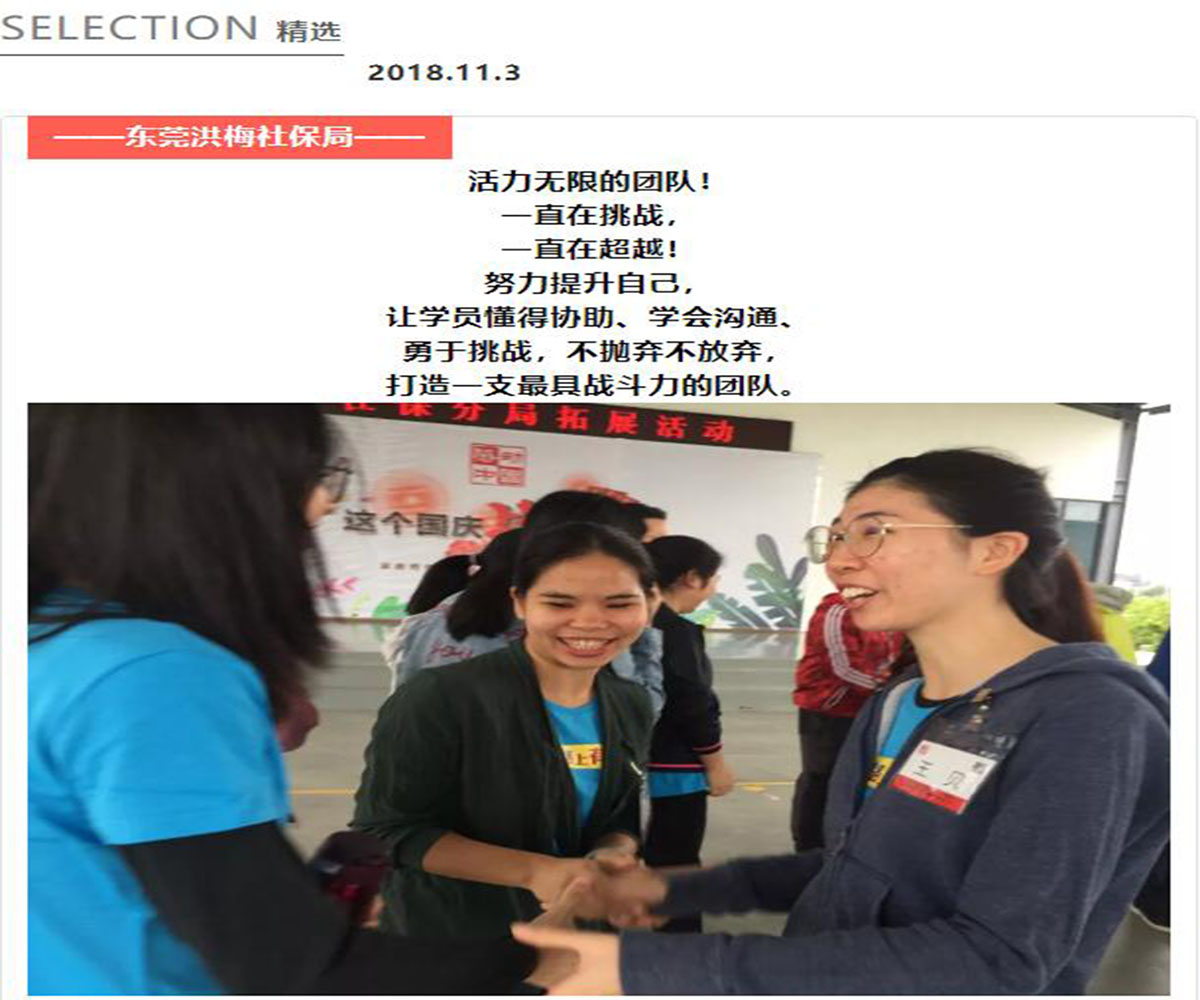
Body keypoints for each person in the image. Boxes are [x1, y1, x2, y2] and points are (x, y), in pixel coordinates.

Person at [512, 448, 1170, 996]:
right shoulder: (898, 701)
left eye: (874, 531)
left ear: (993, 550)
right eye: (835, 536)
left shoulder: (1090, 718)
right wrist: (672, 888)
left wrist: (654, 969)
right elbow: (853, 867)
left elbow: (998, 959)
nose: (839, 560)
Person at [28, 404, 541, 995]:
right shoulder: (152, 673)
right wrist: (555, 958)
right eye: (307, 479)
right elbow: (291, 969)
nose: (323, 505)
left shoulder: (54, 637)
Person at [353, 521, 656, 940]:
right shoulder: (441, 696)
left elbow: (619, 812)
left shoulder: (631, 702)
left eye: (619, 604)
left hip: (576, 935)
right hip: (454, 936)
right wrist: (535, 871)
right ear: (520, 602)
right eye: (559, 603)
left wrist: (613, 853)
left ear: (649, 604)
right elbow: (387, 830)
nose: (590, 621)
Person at [381, 490, 666, 714]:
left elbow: (402, 713)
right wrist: (644, 629)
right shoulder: (582, 634)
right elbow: (636, 715)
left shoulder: (431, 620)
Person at [642, 535, 732, 932]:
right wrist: (715, 763)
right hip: (673, 766)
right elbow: (693, 702)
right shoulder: (675, 631)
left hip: (632, 759)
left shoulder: (637, 622)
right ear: (693, 578)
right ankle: (678, 941)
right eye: (714, 578)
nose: (715, 588)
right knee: (675, 858)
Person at [790, 591, 903, 850]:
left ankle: (844, 842)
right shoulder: (837, 609)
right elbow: (843, 667)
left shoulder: (891, 608)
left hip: (868, 709)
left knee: (858, 778)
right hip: (828, 711)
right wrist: (884, 691)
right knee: (820, 779)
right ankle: (809, 848)